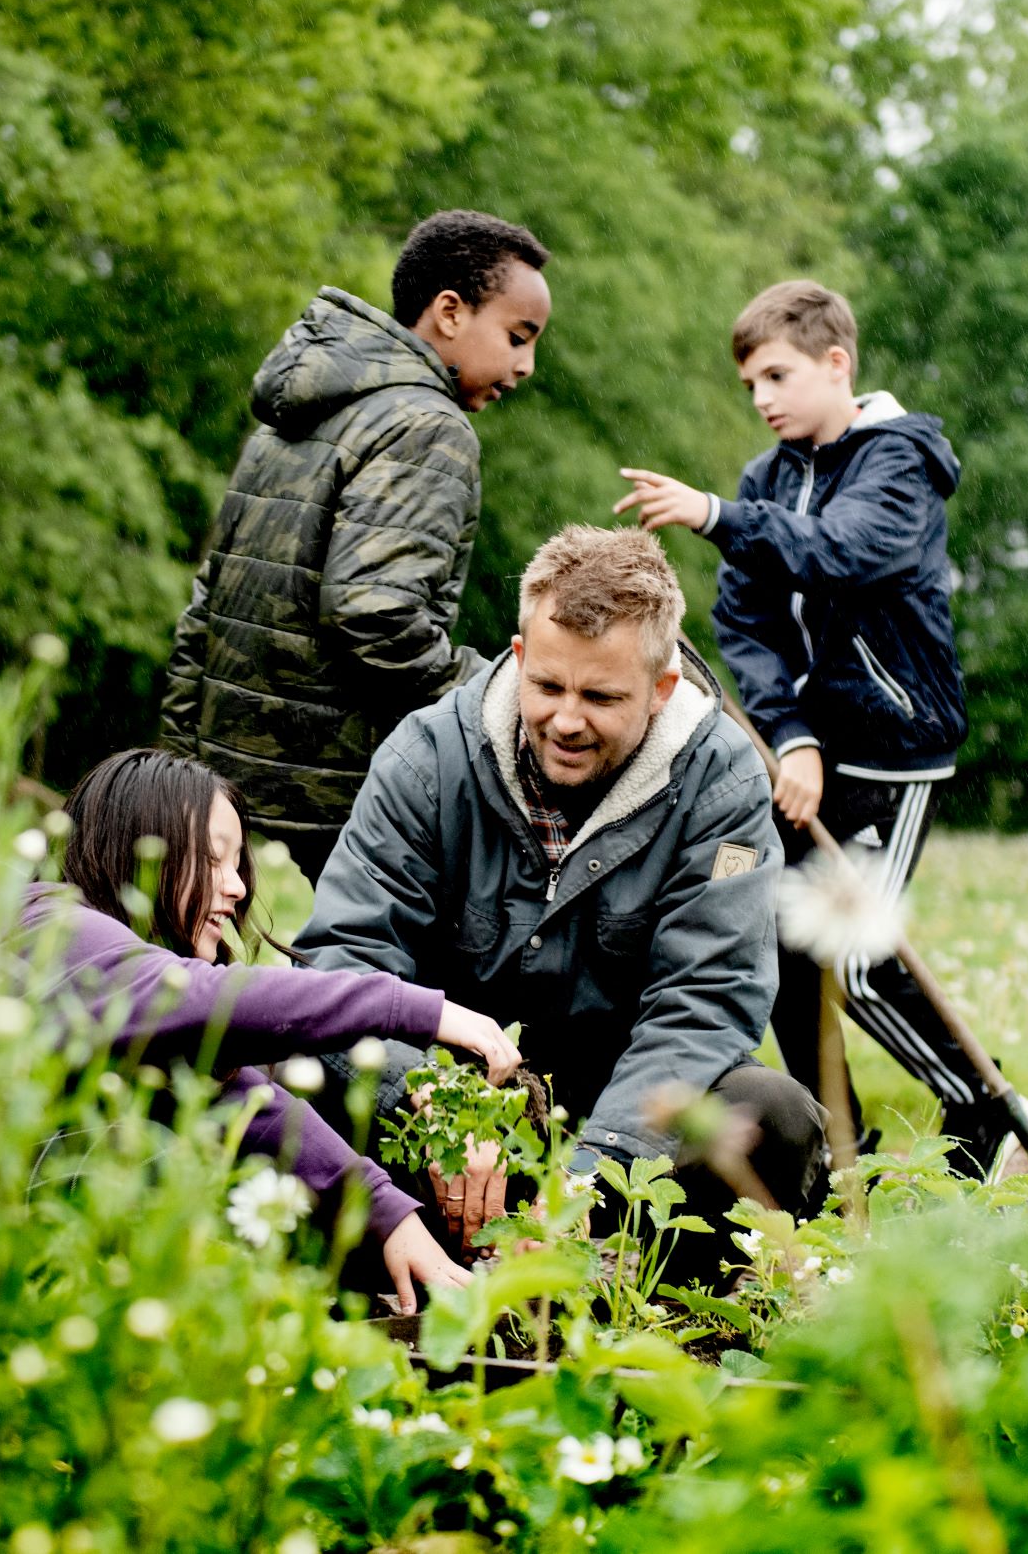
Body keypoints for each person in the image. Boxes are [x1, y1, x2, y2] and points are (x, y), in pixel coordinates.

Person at [297, 526, 822, 1275]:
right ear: (518, 657)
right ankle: (411, 1260)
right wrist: (437, 1106)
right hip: (450, 1119)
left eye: (601, 696)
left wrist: (592, 1173)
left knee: (774, 1114)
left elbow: (705, 1000)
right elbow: (343, 961)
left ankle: (632, 1287)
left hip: (629, 1122)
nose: (567, 720)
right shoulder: (427, 757)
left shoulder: (724, 781)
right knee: (297, 1071)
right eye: (548, 686)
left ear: (661, 687)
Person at [613, 278, 1020, 1179]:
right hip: (813, 752)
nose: (761, 399)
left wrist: (715, 515)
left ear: (837, 364)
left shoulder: (898, 465)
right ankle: (840, 1141)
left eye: (777, 376)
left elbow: (847, 553)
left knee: (860, 960)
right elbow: (747, 624)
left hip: (897, 746)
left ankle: (983, 1106)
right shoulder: (769, 478)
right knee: (784, 945)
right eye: (750, 384)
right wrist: (791, 734)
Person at [0, 747, 524, 1312]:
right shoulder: (60, 929)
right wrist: (416, 1010)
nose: (235, 887)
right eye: (212, 859)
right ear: (140, 851)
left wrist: (388, 1215)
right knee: (145, 1159)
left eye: (238, 864)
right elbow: (217, 1001)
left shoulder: (128, 1008)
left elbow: (247, 1106)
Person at [162, 209, 553, 883]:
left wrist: (181, 775)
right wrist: (496, 697)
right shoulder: (429, 427)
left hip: (220, 799)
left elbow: (208, 601)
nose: (526, 366)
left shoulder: (302, 411)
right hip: (326, 816)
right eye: (518, 337)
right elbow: (375, 615)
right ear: (450, 312)